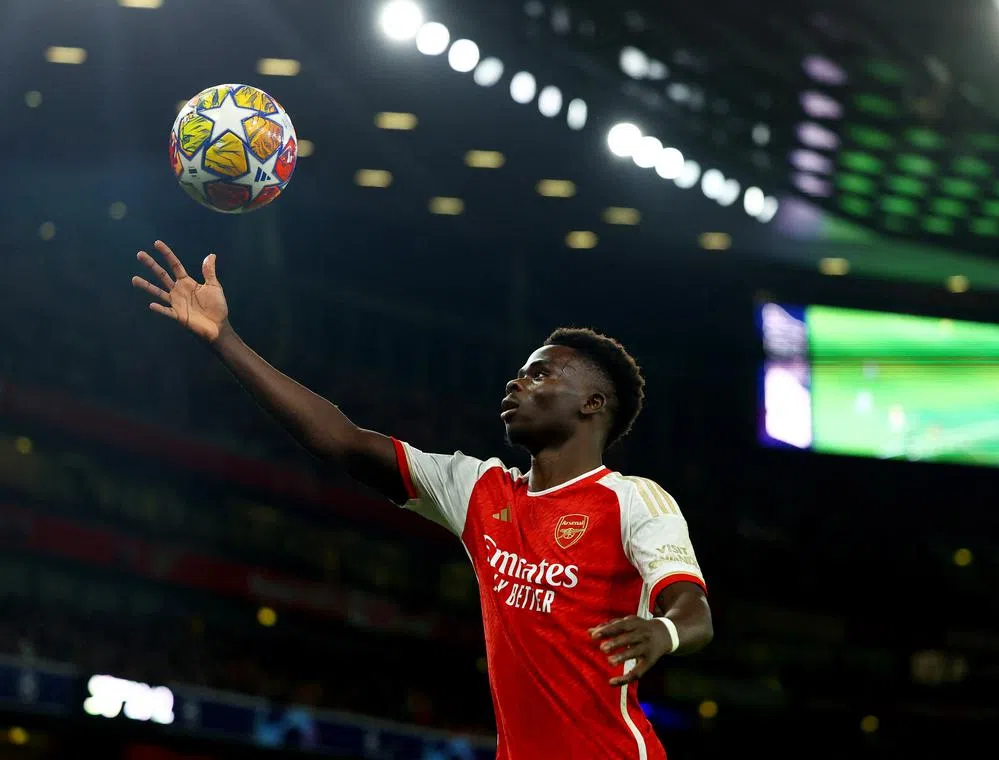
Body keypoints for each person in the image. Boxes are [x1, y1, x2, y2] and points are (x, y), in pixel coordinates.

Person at [131, 241, 713, 760]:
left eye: (540, 376)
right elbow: (344, 442)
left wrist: (663, 632)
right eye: (518, 373)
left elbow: (693, 608)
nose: (516, 383)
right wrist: (225, 340)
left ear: (592, 404)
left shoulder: (633, 500)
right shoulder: (480, 489)